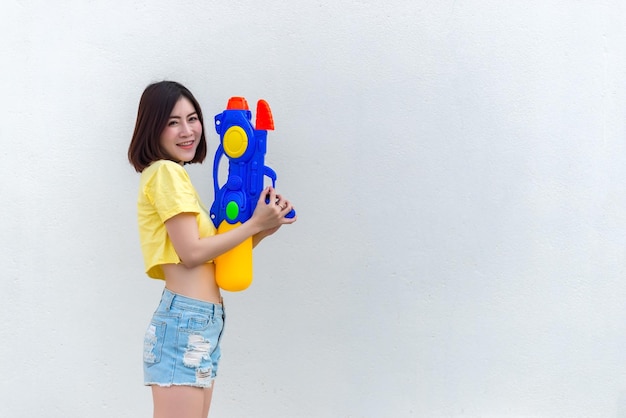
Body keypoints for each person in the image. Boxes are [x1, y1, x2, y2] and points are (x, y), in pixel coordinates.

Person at [128, 80, 296, 418]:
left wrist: (264, 227)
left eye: (193, 118)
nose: (187, 130)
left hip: (200, 321)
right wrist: (252, 225)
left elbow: (211, 258)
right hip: (185, 321)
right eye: (173, 121)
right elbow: (191, 253)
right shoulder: (165, 173)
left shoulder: (174, 177)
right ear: (152, 127)